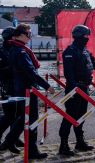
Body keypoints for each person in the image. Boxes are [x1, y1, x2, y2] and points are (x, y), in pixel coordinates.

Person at [0, 23, 55, 159]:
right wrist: (47, 86)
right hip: (27, 90)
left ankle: (12, 142)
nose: (30, 38)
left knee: (23, 119)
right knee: (31, 120)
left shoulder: (16, 49)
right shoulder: (20, 51)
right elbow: (31, 72)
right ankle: (22, 146)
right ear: (20, 35)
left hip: (21, 89)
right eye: (29, 35)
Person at [59, 24, 95, 156]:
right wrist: (75, 88)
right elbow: (69, 74)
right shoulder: (70, 52)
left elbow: (93, 64)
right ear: (79, 36)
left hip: (85, 88)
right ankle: (63, 145)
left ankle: (80, 142)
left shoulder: (85, 51)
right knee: (70, 117)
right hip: (74, 89)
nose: (87, 38)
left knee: (81, 117)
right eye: (86, 35)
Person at [0, 27, 25, 148]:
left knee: (19, 113)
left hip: (18, 85)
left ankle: (14, 137)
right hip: (7, 86)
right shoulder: (2, 51)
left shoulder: (16, 49)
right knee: (9, 115)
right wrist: (13, 67)